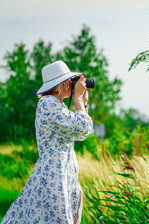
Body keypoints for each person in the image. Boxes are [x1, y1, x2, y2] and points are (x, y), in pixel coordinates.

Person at [1, 61, 94, 224]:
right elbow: (82, 127)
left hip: (64, 175)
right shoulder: (47, 104)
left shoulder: (60, 106)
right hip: (53, 177)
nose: (73, 85)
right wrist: (78, 99)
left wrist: (83, 102)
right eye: (70, 80)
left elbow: (82, 133)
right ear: (63, 83)